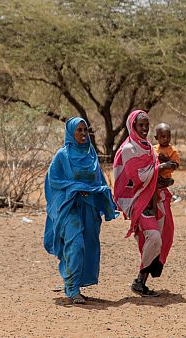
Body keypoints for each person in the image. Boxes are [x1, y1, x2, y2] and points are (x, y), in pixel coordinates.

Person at [43, 117, 117, 305]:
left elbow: (98, 179)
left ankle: (75, 283)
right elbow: (54, 181)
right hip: (69, 207)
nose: (83, 134)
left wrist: (104, 196)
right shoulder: (62, 156)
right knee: (75, 244)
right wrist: (75, 187)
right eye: (79, 131)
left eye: (85, 130)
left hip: (89, 207)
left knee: (87, 245)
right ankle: (72, 289)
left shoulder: (91, 153)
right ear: (71, 133)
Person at [112, 110, 175, 297]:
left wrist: (163, 180)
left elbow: (151, 174)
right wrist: (161, 168)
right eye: (141, 125)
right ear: (132, 126)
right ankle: (139, 280)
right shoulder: (128, 149)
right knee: (154, 237)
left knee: (158, 238)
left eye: (147, 125)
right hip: (137, 201)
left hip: (153, 199)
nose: (145, 129)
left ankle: (141, 283)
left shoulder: (147, 146)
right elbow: (138, 176)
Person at [153, 122, 180, 191]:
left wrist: (166, 161)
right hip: (154, 174)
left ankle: (164, 182)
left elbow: (175, 165)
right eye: (163, 136)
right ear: (156, 137)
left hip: (165, 177)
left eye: (168, 136)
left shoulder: (173, 151)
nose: (166, 139)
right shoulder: (153, 149)